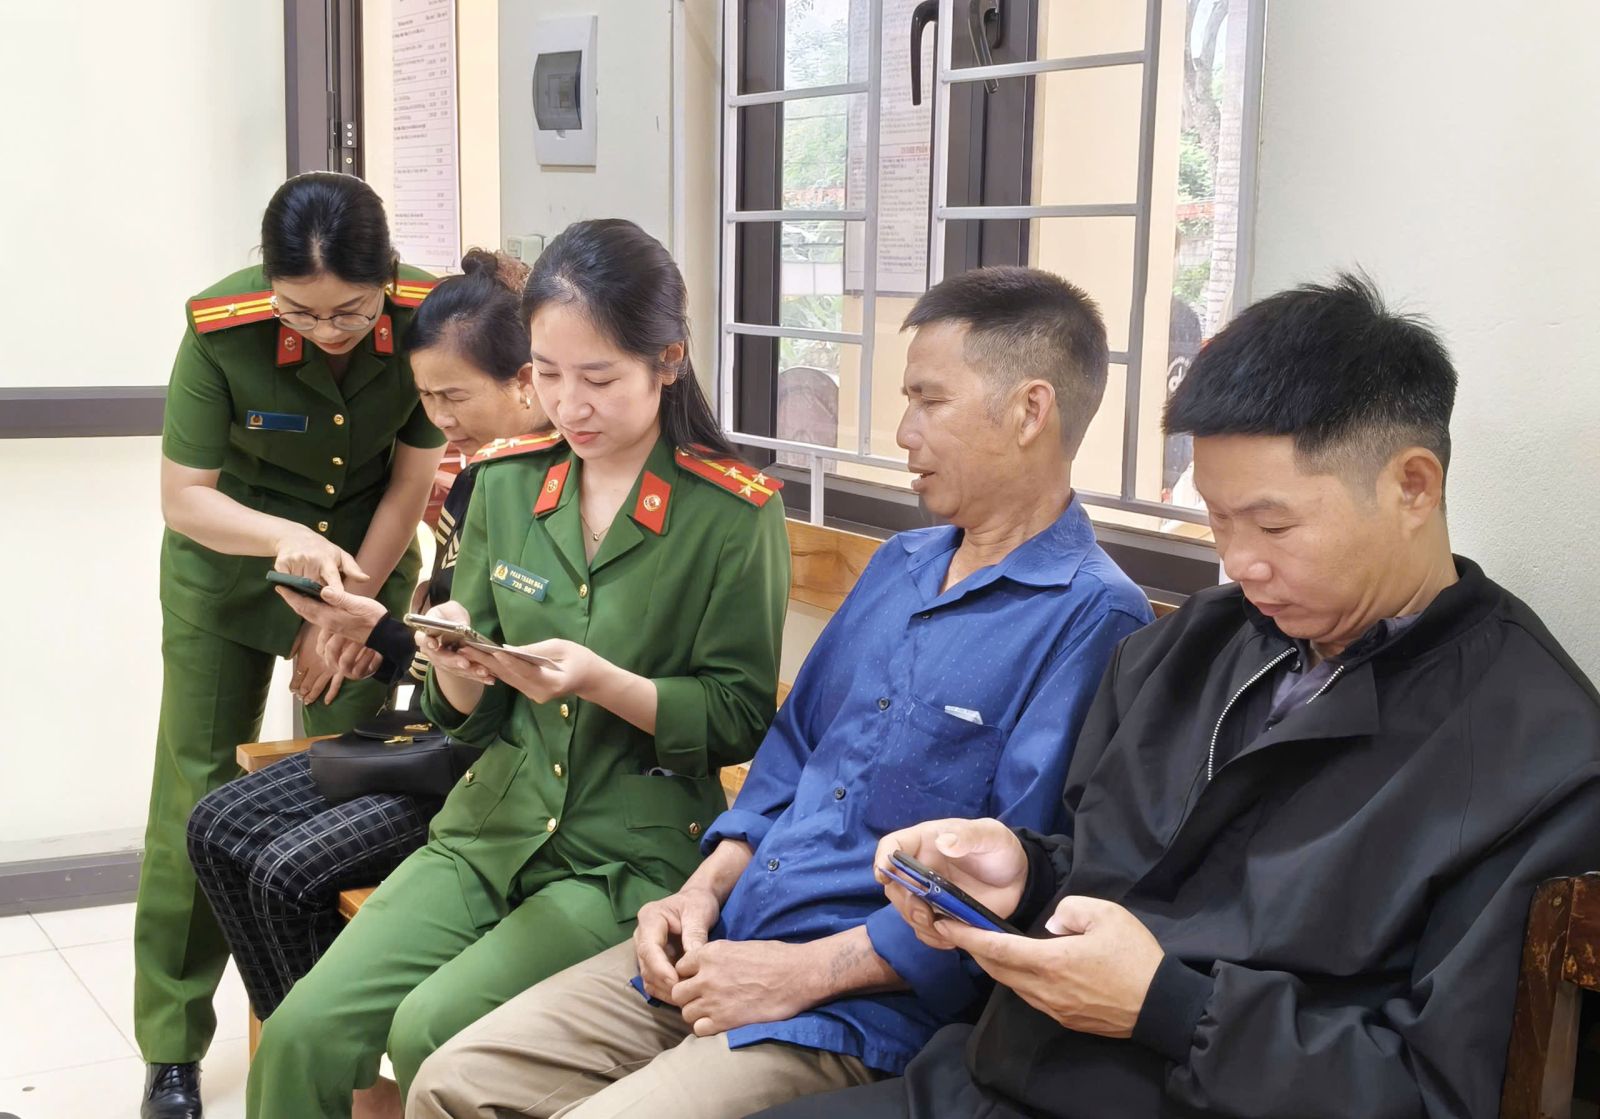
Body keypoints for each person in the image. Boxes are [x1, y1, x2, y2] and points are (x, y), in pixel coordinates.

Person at [752, 273, 1600, 1119]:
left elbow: (1440, 1091)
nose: (1240, 563)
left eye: (1273, 525)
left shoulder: (1538, 757)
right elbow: (1094, 861)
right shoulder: (1189, 648)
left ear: (1413, 486)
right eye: (1219, 521)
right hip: (984, 1079)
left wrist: (1170, 1008)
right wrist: (1022, 874)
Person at [405, 267, 1154, 1119]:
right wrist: (700, 890)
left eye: (929, 401)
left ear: (1029, 410)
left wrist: (797, 973)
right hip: (730, 936)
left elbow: (1013, 884)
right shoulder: (903, 564)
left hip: (853, 1011)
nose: (902, 432)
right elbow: (792, 753)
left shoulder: (1093, 615)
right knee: (451, 1081)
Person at [244, 218, 792, 1119]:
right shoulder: (505, 480)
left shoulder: (731, 511)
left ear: (668, 361)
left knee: (432, 1031)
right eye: (547, 373)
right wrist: (453, 658)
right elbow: (466, 714)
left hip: (625, 852)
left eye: (599, 378)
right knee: (304, 1028)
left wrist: (599, 680)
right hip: (490, 825)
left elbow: (738, 716)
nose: (569, 404)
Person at [135, 171, 446, 1119]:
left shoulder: (429, 317)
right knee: (197, 794)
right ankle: (172, 1045)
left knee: (347, 787)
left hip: (362, 572)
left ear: (387, 276)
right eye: (299, 312)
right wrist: (286, 543)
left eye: (349, 311)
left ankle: (330, 1040)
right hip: (228, 580)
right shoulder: (219, 328)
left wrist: (344, 608)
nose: (326, 330)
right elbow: (185, 497)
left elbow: (410, 483)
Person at [184, 249, 548, 1044]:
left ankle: (328, 1064)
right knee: (212, 825)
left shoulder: (540, 486)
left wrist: (379, 634)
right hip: (440, 735)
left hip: (486, 769)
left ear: (526, 380)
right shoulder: (482, 475)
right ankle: (323, 1066)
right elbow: (455, 646)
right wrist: (376, 638)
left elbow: (500, 671)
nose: (439, 421)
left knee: (282, 871)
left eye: (454, 397)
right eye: (427, 399)